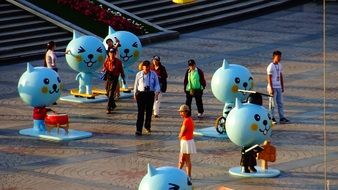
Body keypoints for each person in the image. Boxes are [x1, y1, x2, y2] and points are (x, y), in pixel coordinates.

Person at [133, 60, 160, 136]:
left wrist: (157, 91)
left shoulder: (153, 74)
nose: (147, 68)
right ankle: (138, 129)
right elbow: (136, 85)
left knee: (149, 112)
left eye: (148, 67)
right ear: (142, 67)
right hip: (141, 94)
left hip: (150, 94)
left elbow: (157, 84)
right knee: (140, 112)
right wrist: (135, 94)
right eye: (145, 67)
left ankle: (147, 126)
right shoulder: (138, 74)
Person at [266, 50, 289, 124]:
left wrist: (282, 86)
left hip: (278, 87)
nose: (279, 58)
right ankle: (271, 118)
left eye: (280, 57)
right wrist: (271, 88)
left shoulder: (280, 65)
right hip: (272, 87)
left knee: (280, 103)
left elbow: (281, 75)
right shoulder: (271, 66)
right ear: (274, 57)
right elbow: (269, 77)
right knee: (272, 104)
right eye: (278, 57)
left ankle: (282, 117)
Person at [103, 47, 125, 114]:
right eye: (110, 53)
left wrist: (123, 79)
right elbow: (104, 67)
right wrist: (103, 71)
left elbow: (121, 70)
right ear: (109, 53)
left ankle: (108, 107)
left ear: (115, 54)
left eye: (113, 53)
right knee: (107, 92)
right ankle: (113, 105)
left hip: (115, 77)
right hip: (108, 77)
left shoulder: (118, 61)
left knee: (111, 93)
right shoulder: (107, 60)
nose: (112, 54)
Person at [177, 104, 196, 179]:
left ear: (186, 112)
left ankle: (182, 174)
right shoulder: (190, 119)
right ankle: (183, 173)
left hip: (185, 141)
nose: (180, 113)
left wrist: (179, 136)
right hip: (189, 141)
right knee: (184, 159)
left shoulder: (186, 121)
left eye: (181, 112)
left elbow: (182, 133)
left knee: (184, 159)